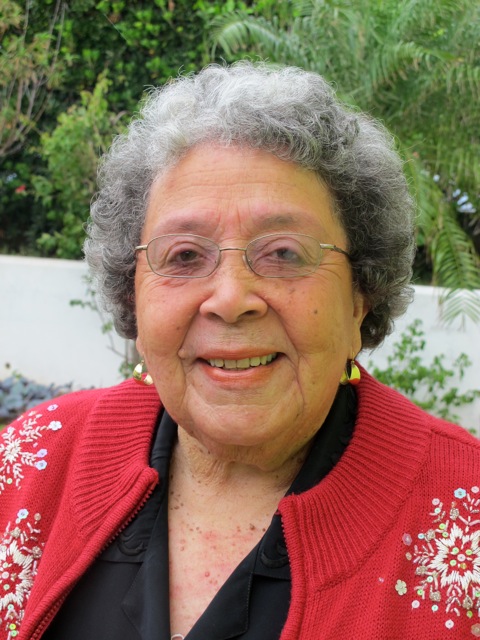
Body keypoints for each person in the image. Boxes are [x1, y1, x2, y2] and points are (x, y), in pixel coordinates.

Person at [1, 61, 479, 640]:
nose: (230, 300)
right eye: (184, 256)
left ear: (361, 298)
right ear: (133, 297)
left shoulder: (468, 515)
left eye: (283, 253)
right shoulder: (31, 463)